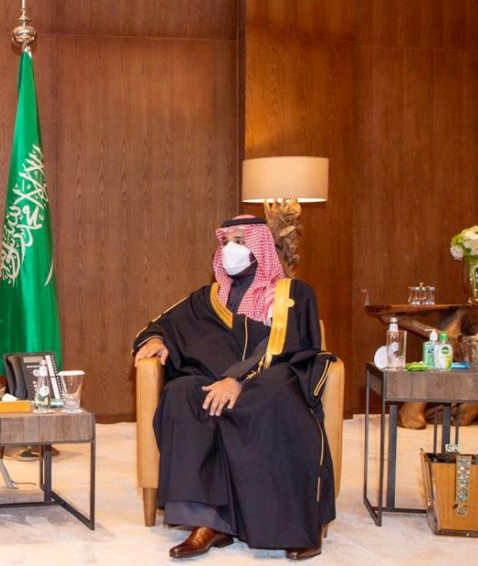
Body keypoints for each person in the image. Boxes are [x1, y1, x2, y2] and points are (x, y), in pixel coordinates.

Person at [133, 215, 335, 561]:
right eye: (226, 241)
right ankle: (209, 522)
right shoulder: (206, 298)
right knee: (182, 394)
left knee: (272, 396)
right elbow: (160, 324)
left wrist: (237, 380)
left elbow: (290, 345)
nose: (231, 249)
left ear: (261, 247)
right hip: (217, 381)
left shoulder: (291, 294)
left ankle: (296, 525)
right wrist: (158, 339)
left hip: (273, 378)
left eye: (241, 241)